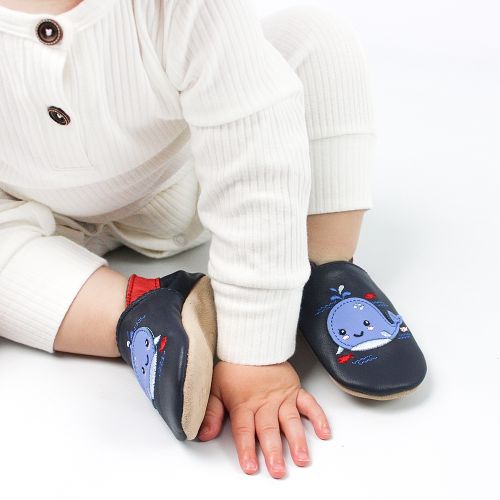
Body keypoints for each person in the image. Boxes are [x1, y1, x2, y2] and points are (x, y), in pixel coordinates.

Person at [0, 0, 426, 480]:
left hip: (192, 175)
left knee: (313, 38)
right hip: (22, 204)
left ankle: (321, 267)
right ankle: (150, 311)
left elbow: (253, 152)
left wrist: (254, 352)